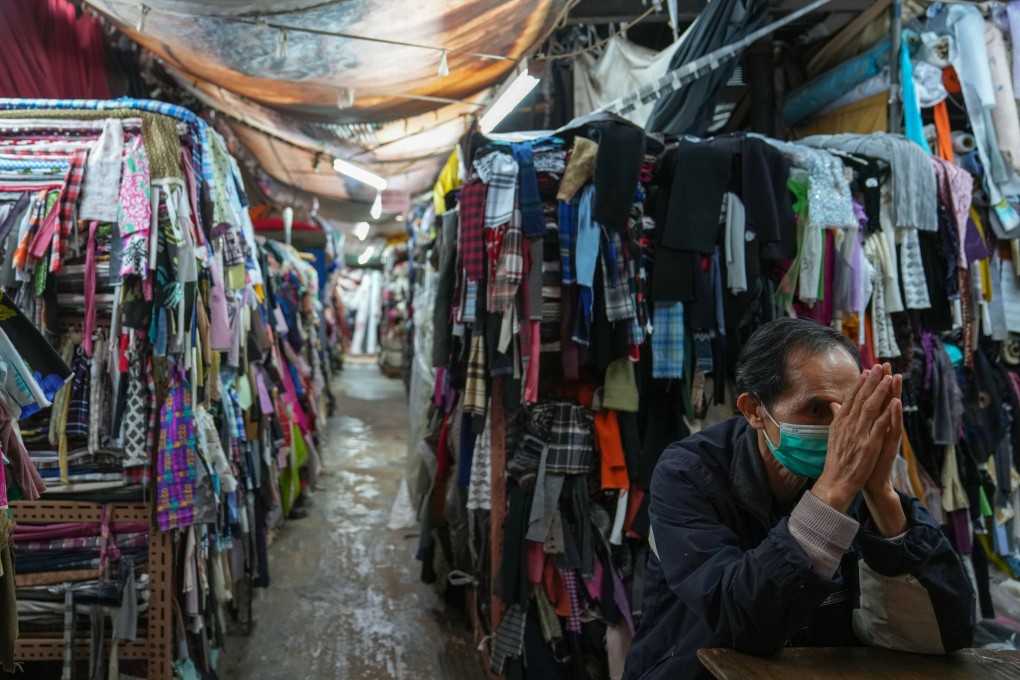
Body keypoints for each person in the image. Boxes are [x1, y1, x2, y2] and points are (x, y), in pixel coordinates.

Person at [623, 318, 975, 680]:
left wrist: (880, 493)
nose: (840, 430)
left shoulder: (856, 476)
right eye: (816, 409)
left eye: (848, 410)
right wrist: (833, 493)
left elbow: (950, 632)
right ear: (754, 410)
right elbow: (745, 620)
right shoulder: (688, 474)